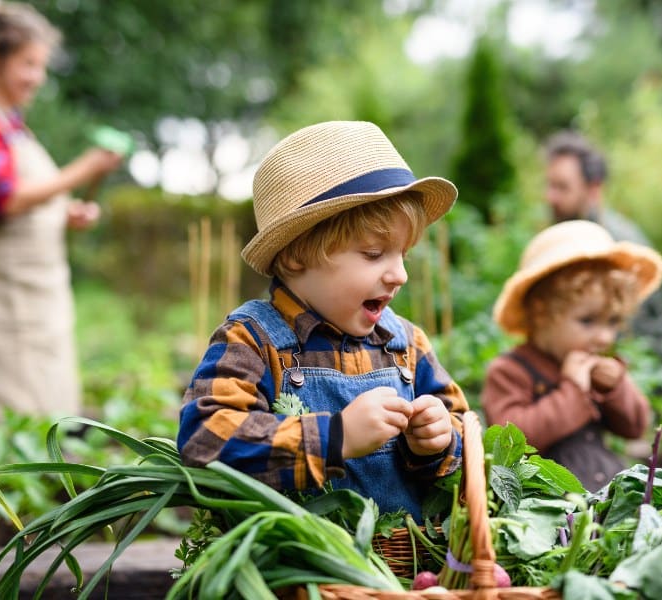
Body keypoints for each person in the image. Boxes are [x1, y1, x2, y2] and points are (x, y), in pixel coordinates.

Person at [177, 121, 468, 518]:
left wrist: (439, 441)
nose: (399, 274)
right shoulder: (253, 342)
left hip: (406, 571)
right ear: (297, 255)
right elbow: (205, 441)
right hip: (297, 573)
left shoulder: (405, 345)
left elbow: (466, 433)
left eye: (403, 254)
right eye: (372, 254)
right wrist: (335, 437)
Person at [0, 0, 122, 423]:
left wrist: (66, 214)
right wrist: (82, 170)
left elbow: (32, 203)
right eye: (27, 64)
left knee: (50, 405)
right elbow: (3, 199)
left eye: (40, 66)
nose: (36, 78)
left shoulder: (13, 126)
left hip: (39, 293)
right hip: (0, 294)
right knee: (8, 416)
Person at [481, 220, 662, 490]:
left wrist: (615, 388)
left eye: (613, 321)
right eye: (587, 321)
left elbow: (636, 426)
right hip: (545, 504)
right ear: (542, 313)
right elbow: (511, 442)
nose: (604, 337)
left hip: (604, 491)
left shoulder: (595, 366)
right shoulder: (510, 371)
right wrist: (573, 390)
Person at [544, 131, 662, 353]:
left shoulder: (617, 246)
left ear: (593, 189)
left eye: (562, 187)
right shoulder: (566, 234)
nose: (550, 197)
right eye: (550, 185)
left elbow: (635, 332)